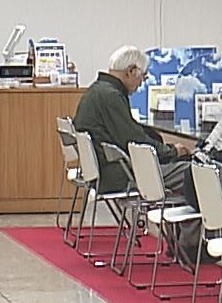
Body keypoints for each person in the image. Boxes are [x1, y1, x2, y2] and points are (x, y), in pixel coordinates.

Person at [74, 45, 193, 195]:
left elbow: (130, 133)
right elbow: (134, 140)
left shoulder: (97, 90)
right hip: (119, 175)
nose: (141, 83)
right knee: (191, 171)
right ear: (131, 71)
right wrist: (172, 151)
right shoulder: (111, 96)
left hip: (104, 172)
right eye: (143, 77)